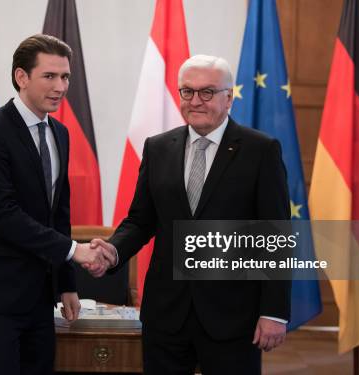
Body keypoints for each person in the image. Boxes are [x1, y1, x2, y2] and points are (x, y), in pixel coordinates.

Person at [91, 55, 291, 374]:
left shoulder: (260, 150)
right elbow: (141, 220)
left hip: (232, 315)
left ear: (230, 97)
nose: (196, 101)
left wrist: (274, 312)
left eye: (207, 92)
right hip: (166, 314)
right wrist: (114, 250)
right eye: (188, 91)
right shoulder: (158, 147)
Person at [0, 34, 115, 375]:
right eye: (50, 76)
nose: (60, 86)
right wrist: (74, 250)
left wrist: (67, 284)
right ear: (21, 77)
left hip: (40, 300)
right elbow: (2, 215)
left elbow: (59, 213)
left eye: (65, 76)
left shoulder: (60, 133)